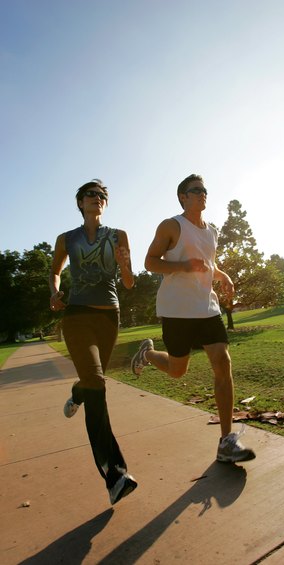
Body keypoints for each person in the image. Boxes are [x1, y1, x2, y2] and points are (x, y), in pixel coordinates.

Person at [131, 174, 256, 463]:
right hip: (177, 310)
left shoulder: (211, 231)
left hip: (206, 307)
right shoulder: (171, 225)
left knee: (222, 363)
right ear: (182, 197)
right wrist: (184, 265)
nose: (202, 194)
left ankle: (226, 442)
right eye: (195, 190)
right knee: (177, 371)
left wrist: (221, 275)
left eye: (204, 190)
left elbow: (208, 263)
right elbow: (150, 262)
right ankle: (148, 353)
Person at [49, 178, 137, 505]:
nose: (96, 198)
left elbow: (127, 283)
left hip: (108, 316)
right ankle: (115, 475)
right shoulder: (66, 239)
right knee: (97, 382)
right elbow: (55, 271)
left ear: (105, 204)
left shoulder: (119, 235)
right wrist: (53, 292)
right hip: (76, 315)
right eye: (90, 194)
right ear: (80, 202)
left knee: (91, 381)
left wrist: (125, 261)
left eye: (101, 195)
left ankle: (76, 393)